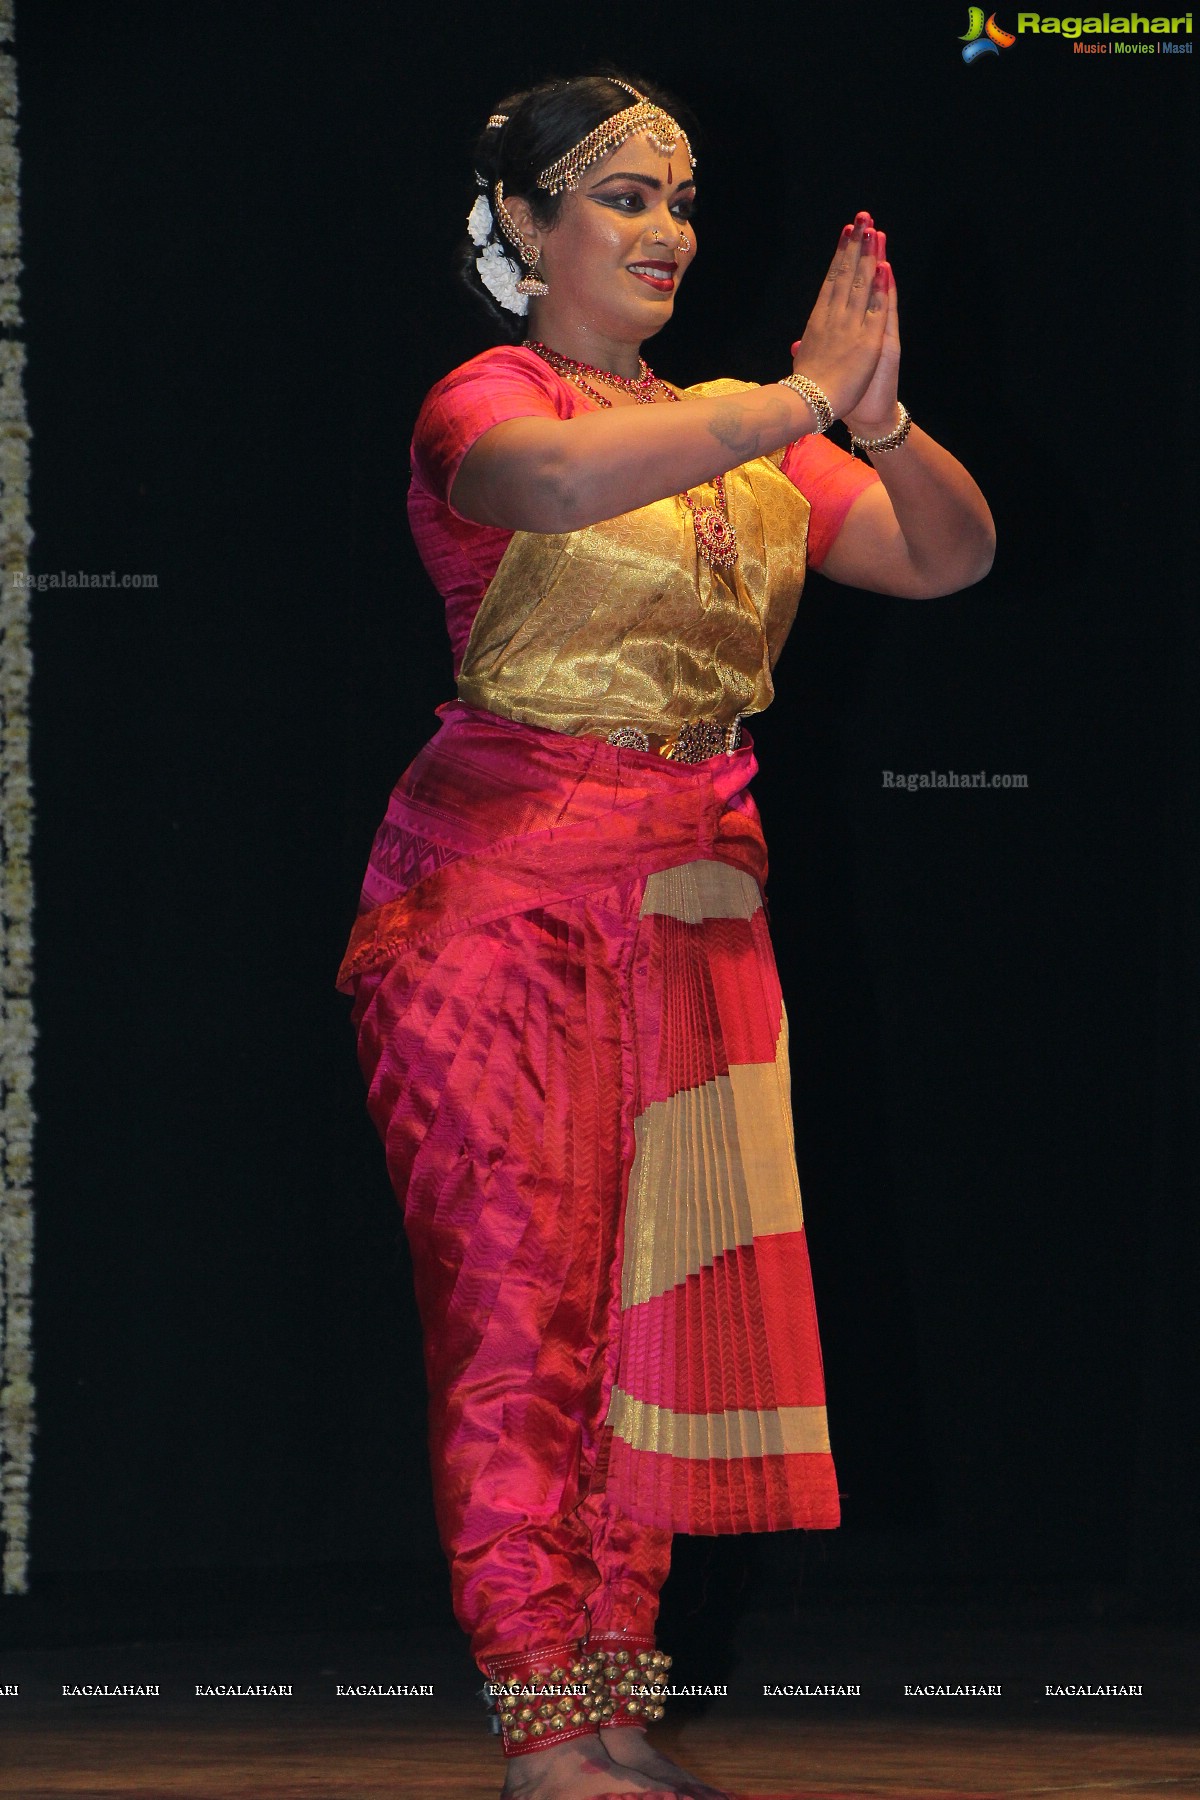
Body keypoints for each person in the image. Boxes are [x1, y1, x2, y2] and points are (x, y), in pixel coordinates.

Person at [337, 71, 994, 1800]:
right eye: (620, 197)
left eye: (678, 202)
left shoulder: (748, 440)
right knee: (519, 1316)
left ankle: (617, 1697)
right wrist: (786, 399)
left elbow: (945, 559)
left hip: (693, 910)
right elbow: (554, 491)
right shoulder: (488, 404)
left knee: (656, 1322)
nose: (665, 231)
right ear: (525, 229)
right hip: (498, 908)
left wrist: (880, 418)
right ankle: (545, 1726)